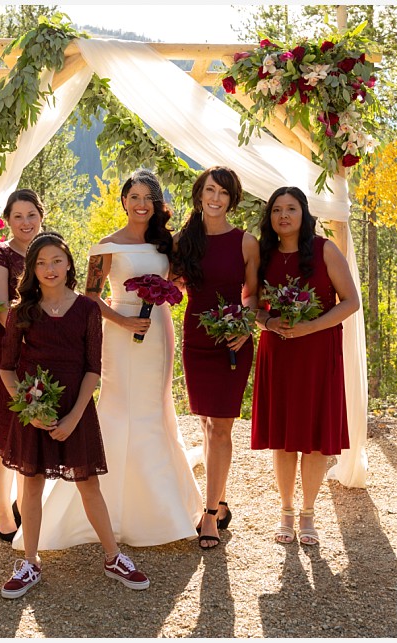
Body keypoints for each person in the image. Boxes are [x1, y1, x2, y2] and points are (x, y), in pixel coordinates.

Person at [21, 169, 203, 551]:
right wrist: (122, 320)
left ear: (156, 204)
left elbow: (180, 283)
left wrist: (169, 294)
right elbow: (89, 296)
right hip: (119, 334)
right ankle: (103, 504)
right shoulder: (106, 247)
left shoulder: (166, 245)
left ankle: (161, 508)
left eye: (147, 198)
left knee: (155, 405)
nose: (140, 204)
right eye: (133, 197)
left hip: (158, 334)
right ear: (123, 201)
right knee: (118, 405)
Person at [0, 231, 150, 599]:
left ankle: (113, 557)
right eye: (41, 263)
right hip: (33, 412)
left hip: (76, 410)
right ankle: (31, 561)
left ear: (69, 264)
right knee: (30, 485)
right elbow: (7, 370)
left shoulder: (86, 309)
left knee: (88, 484)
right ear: (32, 270)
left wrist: (74, 417)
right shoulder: (22, 312)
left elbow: (92, 370)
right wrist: (30, 411)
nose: (50, 269)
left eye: (57, 261)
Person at [251, 186, 359, 546]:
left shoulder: (325, 249)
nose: (284, 215)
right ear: (270, 217)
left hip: (317, 350)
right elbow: (251, 302)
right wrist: (267, 323)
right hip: (278, 351)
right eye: (277, 209)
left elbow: (351, 302)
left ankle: (308, 514)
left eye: (291, 209)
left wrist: (311, 326)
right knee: (283, 437)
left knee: (314, 439)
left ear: (304, 213)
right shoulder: (263, 255)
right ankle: (285, 510)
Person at [172, 166, 260, 550]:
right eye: (210, 189)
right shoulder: (183, 241)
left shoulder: (246, 242)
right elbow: (168, 283)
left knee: (222, 426)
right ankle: (219, 500)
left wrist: (246, 327)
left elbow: (252, 296)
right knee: (206, 424)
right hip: (195, 339)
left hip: (232, 343)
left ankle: (208, 515)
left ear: (232, 199)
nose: (216, 198)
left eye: (223, 192)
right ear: (199, 193)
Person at [0, 189, 44, 541]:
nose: (25, 223)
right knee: (5, 434)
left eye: (31, 215)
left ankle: (23, 501)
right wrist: (38, 336)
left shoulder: (49, 251)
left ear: (41, 216)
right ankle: (3, 507)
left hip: (40, 356)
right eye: (17, 216)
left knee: (30, 432)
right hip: (4, 353)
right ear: (7, 220)